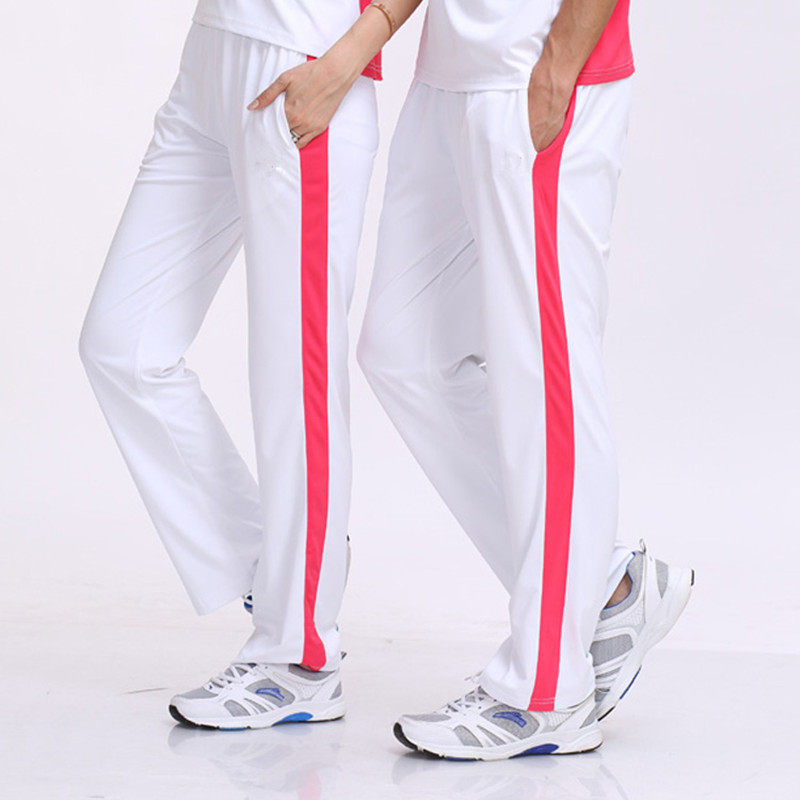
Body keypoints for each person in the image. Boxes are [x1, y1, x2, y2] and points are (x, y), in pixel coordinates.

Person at [256, 0, 694, 758]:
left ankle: (547, 693)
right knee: (403, 351)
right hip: (450, 74)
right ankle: (607, 585)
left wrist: (559, 64)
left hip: (538, 68)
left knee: (546, 377)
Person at [79, 0, 413, 730]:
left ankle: (300, 656)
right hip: (212, 53)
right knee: (122, 344)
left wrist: (352, 53)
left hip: (306, 56)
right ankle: (286, 571)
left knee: (295, 377)